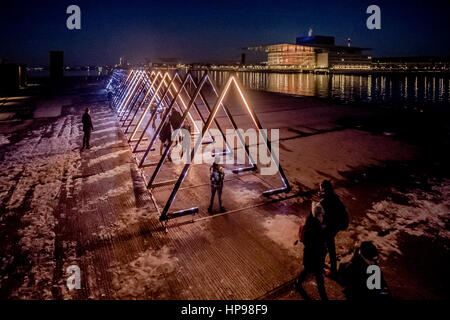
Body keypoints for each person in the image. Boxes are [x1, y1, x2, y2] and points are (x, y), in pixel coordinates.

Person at [295, 202, 328, 300]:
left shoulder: (313, 224)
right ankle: (324, 297)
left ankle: (298, 282)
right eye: (320, 215)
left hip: (313, 256)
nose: (321, 217)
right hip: (313, 256)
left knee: (308, 272)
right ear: (316, 216)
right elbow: (315, 244)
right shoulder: (313, 228)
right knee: (317, 277)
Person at [319, 180, 349, 277]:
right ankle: (330, 267)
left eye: (320, 187)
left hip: (330, 226)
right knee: (328, 245)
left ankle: (329, 268)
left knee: (326, 245)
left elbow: (321, 212)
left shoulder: (326, 199)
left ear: (322, 188)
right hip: (336, 225)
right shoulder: (334, 197)